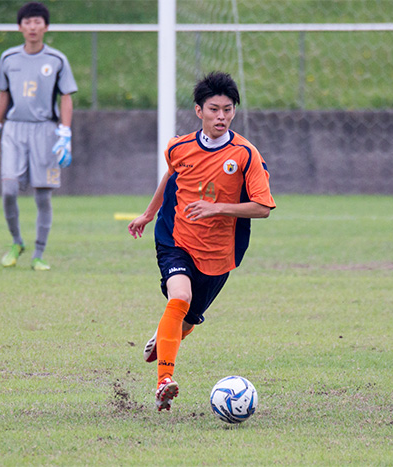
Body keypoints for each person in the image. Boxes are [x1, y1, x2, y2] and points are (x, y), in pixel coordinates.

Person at [128, 71, 276, 411]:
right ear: (199, 111)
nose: (221, 116)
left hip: (220, 253)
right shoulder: (179, 147)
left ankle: (164, 339)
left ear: (234, 112)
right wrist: (149, 214)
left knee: (188, 321)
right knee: (180, 295)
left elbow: (263, 207)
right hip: (175, 237)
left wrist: (217, 208)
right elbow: (171, 176)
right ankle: (164, 381)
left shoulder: (245, 155)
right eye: (213, 109)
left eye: (227, 109)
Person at [0, 2, 78, 271]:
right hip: (14, 129)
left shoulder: (57, 60)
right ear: (20, 27)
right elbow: (3, 94)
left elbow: (66, 98)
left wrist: (65, 133)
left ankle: (39, 254)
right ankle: (17, 242)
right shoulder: (8, 58)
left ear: (46, 26)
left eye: (38, 22)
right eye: (27, 22)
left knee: (42, 196)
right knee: (9, 189)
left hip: (46, 131)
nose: (33, 27)